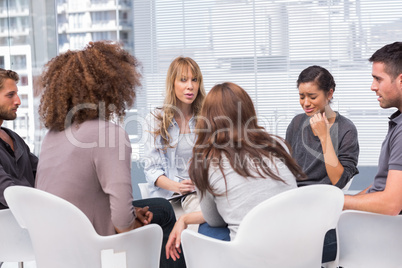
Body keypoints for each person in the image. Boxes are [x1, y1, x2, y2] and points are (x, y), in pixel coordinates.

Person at [35, 41, 185, 268]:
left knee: (158, 207)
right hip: (91, 241)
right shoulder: (109, 135)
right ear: (113, 86)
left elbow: (80, 193)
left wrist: (131, 212)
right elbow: (122, 224)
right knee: (163, 213)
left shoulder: (52, 135)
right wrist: (134, 225)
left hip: (52, 244)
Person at [166, 82, 305, 261]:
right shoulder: (276, 145)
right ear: (248, 111)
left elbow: (215, 219)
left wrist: (184, 220)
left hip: (253, 259)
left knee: (207, 230)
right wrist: (184, 219)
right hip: (300, 250)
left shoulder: (206, 159)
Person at [344, 42, 402, 215]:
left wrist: (335, 201)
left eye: (378, 79)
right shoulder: (398, 121)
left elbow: (391, 205)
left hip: (381, 230)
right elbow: (381, 186)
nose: (373, 86)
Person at [143, 56, 206, 214]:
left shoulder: (206, 118)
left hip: (202, 193)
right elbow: (152, 170)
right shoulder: (155, 120)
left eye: (195, 80)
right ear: (172, 83)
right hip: (171, 198)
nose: (190, 86)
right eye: (183, 80)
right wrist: (178, 187)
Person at [286, 65, 359, 189]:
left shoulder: (346, 129)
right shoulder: (297, 122)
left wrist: (324, 136)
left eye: (312, 97)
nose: (306, 103)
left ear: (329, 94)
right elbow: (286, 167)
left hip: (324, 195)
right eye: (302, 97)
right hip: (293, 193)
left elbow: (339, 181)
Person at [0, 68, 37, 210]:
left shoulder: (14, 138)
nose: (18, 101)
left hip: (31, 224)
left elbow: (42, 173)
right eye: (10, 95)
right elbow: (8, 193)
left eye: (17, 94)